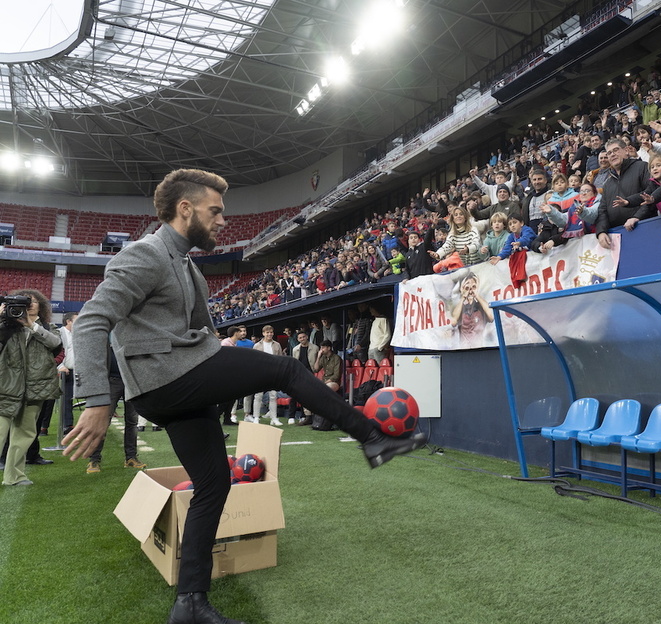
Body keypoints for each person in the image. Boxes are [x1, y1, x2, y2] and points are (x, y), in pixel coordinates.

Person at [63, 169, 426, 624]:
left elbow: (202, 337)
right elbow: (94, 320)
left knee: (214, 484)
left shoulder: (188, 266)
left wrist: (222, 382)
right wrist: (98, 400)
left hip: (174, 387)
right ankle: (373, 438)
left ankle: (190, 604)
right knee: (286, 367)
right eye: (215, 211)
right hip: (166, 378)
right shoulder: (145, 254)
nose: (222, 221)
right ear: (185, 209)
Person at [0, 290, 62, 486]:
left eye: (32, 301)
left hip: (35, 387)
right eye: (24, 302)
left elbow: (56, 345)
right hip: (5, 386)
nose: (29, 304)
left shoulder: (47, 327)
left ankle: (14, 476)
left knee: (24, 434)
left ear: (41, 305)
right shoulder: (5, 327)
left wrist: (31, 325)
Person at [86, 347, 147, 473]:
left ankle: (131, 458)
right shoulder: (107, 333)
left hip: (131, 382)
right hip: (112, 381)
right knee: (103, 421)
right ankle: (94, 460)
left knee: (132, 421)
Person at [250, 325, 285, 426]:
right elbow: (254, 360)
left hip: (274, 373)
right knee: (258, 395)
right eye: (267, 332)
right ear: (263, 333)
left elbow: (280, 359)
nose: (269, 334)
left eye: (271, 332)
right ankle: (256, 417)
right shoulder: (257, 345)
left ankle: (274, 418)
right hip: (260, 372)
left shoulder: (277, 345)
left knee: (273, 395)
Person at [57, 311, 78, 434]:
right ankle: (45, 426)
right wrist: (60, 366)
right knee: (61, 400)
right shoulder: (59, 333)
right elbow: (55, 352)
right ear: (68, 321)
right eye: (76, 320)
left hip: (73, 371)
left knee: (69, 399)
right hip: (62, 371)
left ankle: (68, 425)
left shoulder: (77, 335)